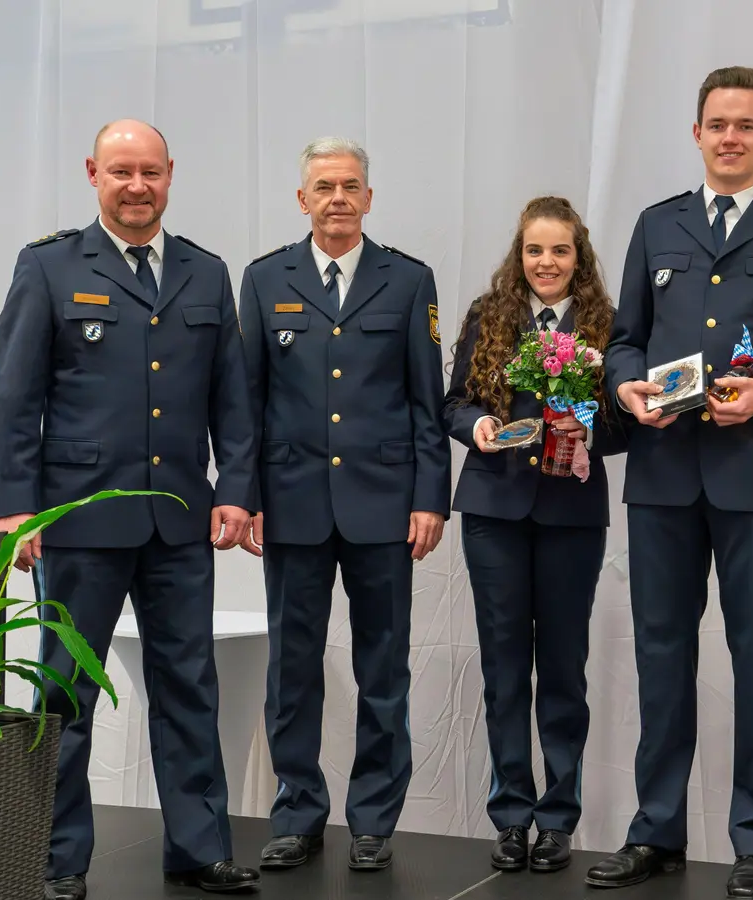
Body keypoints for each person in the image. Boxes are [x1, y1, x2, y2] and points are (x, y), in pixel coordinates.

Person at [585, 66, 753, 900]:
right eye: (716, 124)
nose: (729, 137)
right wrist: (627, 385)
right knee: (660, 656)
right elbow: (625, 338)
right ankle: (655, 831)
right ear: (696, 134)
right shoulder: (656, 225)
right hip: (664, 478)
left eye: (745, 125)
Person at [0, 119, 260, 898]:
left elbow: (230, 402)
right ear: (92, 174)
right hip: (76, 520)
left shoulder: (206, 274)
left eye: (150, 171)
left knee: (188, 685)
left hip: (177, 520)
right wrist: (14, 509)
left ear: (170, 173)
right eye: (120, 171)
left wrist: (235, 489)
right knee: (64, 690)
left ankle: (199, 847)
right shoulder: (48, 267)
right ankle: (56, 858)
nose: (136, 185)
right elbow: (15, 401)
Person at [238, 137, 450, 873]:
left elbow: (428, 401)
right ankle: (298, 812)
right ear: (303, 200)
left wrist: (431, 497)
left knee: (382, 666)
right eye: (323, 186)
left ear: (368, 197)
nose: (337, 197)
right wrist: (247, 496)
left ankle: (373, 818)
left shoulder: (408, 280)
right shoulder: (266, 280)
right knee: (292, 668)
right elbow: (249, 402)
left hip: (384, 506)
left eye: (350, 185)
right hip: (292, 504)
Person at [444, 195, 628, 875]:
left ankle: (557, 817)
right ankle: (511, 815)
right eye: (534, 250)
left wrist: (589, 427)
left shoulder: (607, 325)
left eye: (559, 250)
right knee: (501, 668)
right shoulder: (488, 317)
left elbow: (626, 426)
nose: (545, 263)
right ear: (517, 256)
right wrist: (477, 429)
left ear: (578, 257)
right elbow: (453, 404)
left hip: (572, 515)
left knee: (562, 670)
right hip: (494, 511)